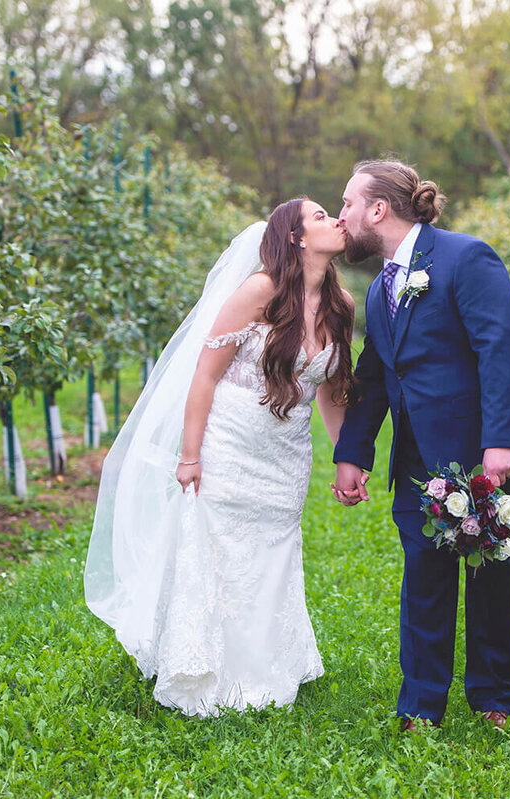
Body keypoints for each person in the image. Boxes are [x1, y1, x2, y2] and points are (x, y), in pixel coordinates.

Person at [84, 198, 355, 716]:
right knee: (220, 547)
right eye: (320, 216)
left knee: (272, 552)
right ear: (296, 238)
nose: (335, 220)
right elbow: (204, 375)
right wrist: (189, 456)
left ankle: (269, 662)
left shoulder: (340, 302)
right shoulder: (259, 290)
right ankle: (204, 663)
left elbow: (329, 391)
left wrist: (347, 458)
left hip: (287, 452)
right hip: (231, 441)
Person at [331, 160, 510, 731]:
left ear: (378, 210)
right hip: (416, 459)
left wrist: (500, 441)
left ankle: (492, 700)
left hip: (487, 455)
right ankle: (420, 709)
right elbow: (377, 375)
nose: (342, 215)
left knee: (492, 579)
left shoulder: (465, 257)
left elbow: (498, 349)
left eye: (348, 203)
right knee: (424, 582)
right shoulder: (382, 290)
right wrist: (352, 453)